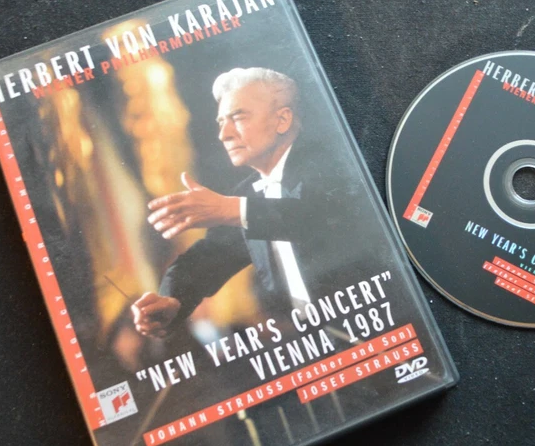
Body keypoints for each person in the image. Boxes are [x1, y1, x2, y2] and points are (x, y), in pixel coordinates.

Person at [132, 67, 366, 337]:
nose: (224, 134)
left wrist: (229, 209)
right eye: (221, 122)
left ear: (282, 120)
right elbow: (208, 256)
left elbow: (316, 216)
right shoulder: (250, 193)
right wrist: (172, 299)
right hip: (321, 342)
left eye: (238, 117)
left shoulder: (333, 161)